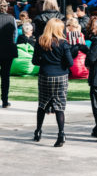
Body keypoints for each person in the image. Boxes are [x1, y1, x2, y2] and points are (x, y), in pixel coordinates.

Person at [32, 18, 73, 147]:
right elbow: (70, 63)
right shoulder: (64, 43)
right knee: (59, 106)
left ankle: (38, 131)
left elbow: (35, 61)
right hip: (60, 76)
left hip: (45, 75)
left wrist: (45, 61)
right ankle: (61, 134)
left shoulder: (41, 41)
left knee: (42, 104)